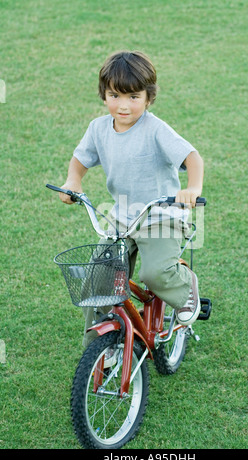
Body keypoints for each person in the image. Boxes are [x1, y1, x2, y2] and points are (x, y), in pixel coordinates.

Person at [59, 50, 204, 346]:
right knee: (98, 281)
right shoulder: (98, 129)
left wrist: (192, 188)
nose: (123, 106)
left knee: (155, 273)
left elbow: (192, 157)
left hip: (161, 216)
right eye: (115, 95)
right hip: (122, 217)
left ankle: (186, 290)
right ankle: (98, 349)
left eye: (133, 97)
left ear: (148, 98)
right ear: (104, 95)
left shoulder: (155, 130)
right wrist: (73, 181)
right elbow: (80, 158)